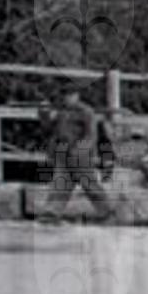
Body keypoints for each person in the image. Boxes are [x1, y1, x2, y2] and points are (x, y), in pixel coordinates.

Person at [39, 85, 115, 223]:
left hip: (81, 155)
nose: (66, 98)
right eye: (64, 95)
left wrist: (79, 151)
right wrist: (44, 114)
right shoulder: (61, 111)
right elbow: (48, 129)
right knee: (60, 184)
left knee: (90, 185)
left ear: (77, 96)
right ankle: (51, 213)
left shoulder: (86, 112)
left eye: (70, 95)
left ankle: (107, 213)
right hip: (63, 152)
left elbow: (91, 136)